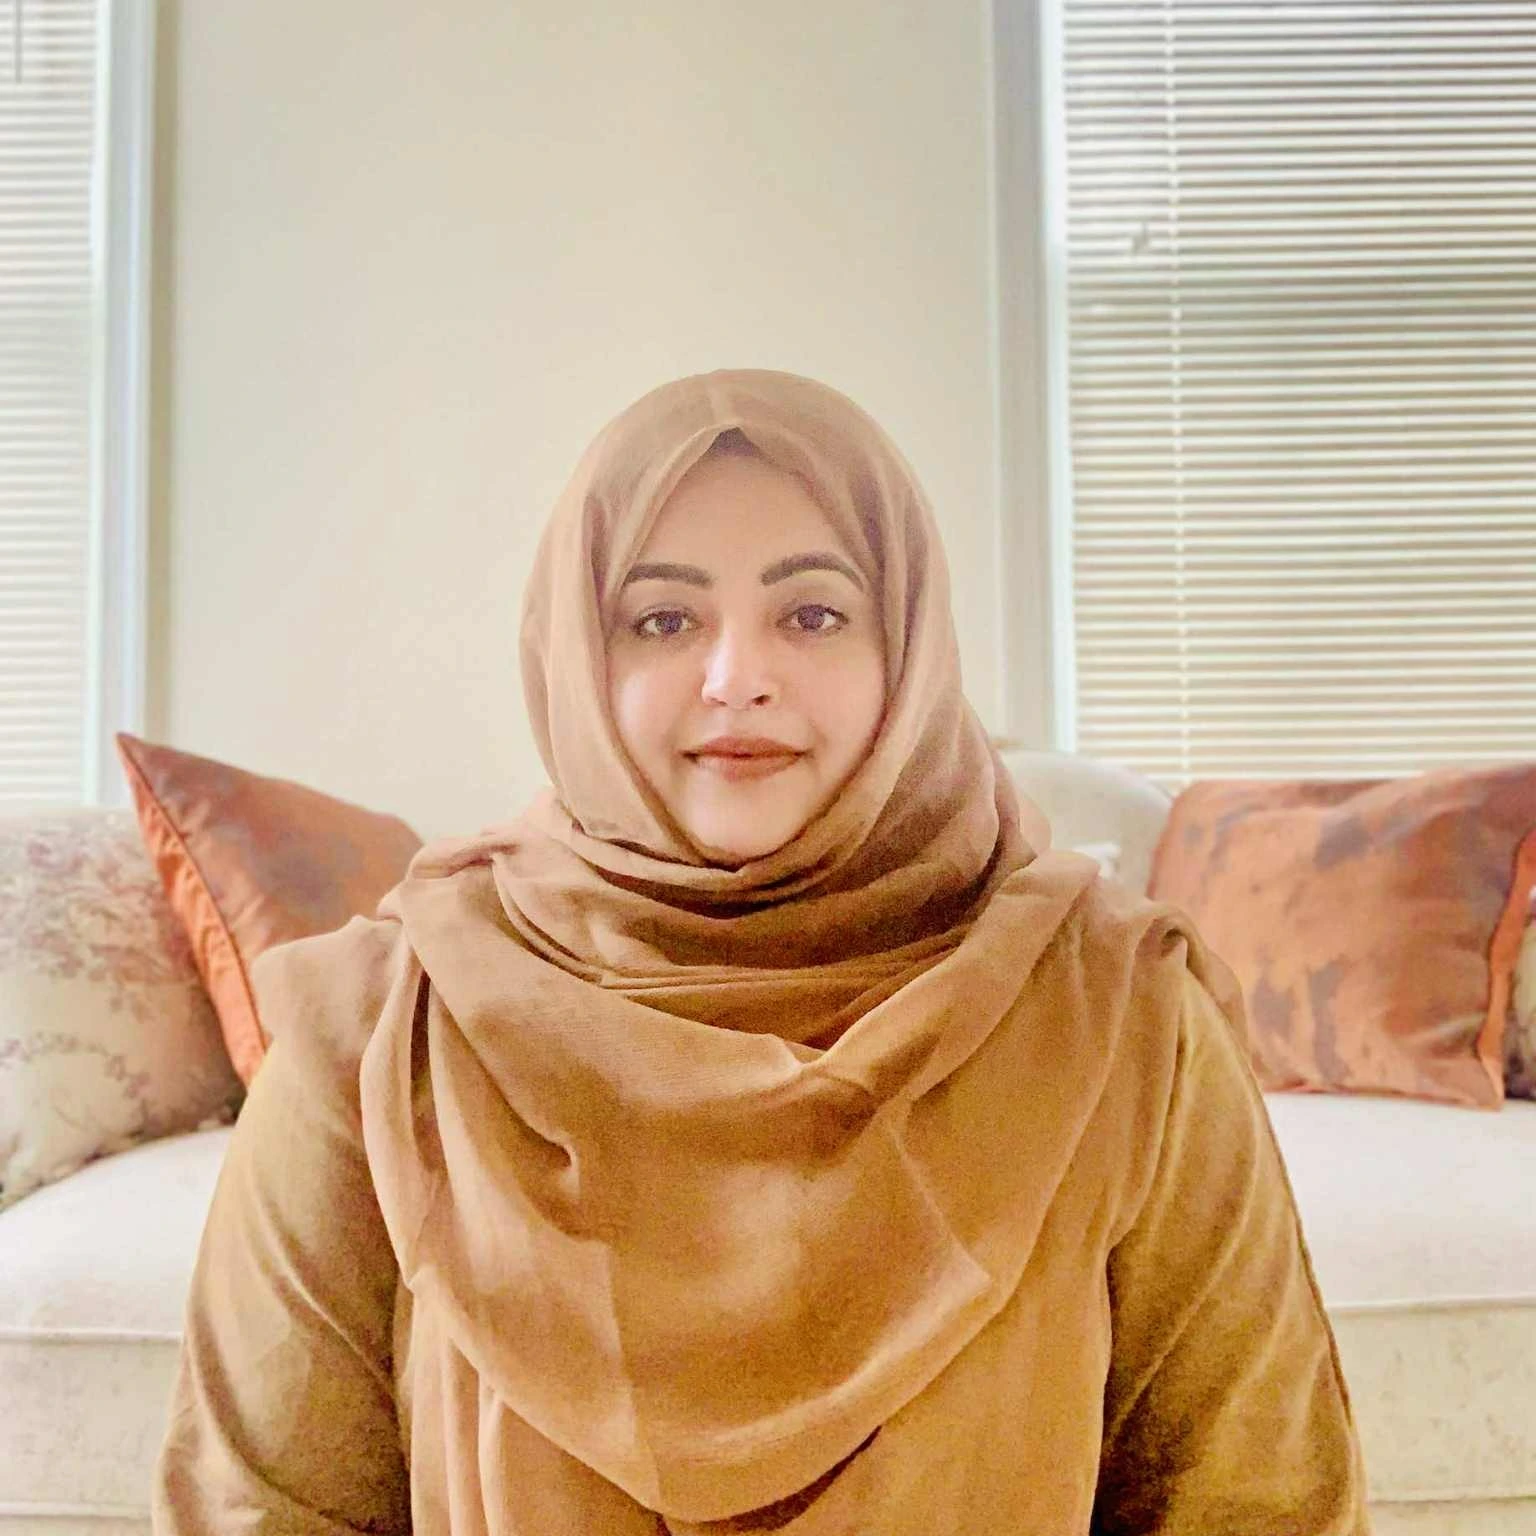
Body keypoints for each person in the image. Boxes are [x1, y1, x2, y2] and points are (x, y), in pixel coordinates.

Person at [152, 369, 1370, 1534]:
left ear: (908, 649)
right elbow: (262, 1511)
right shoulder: (384, 1026)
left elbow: (1253, 1504)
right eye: (664, 619)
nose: (738, 679)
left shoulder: (1119, 1015)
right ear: (577, 657)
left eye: (813, 614)